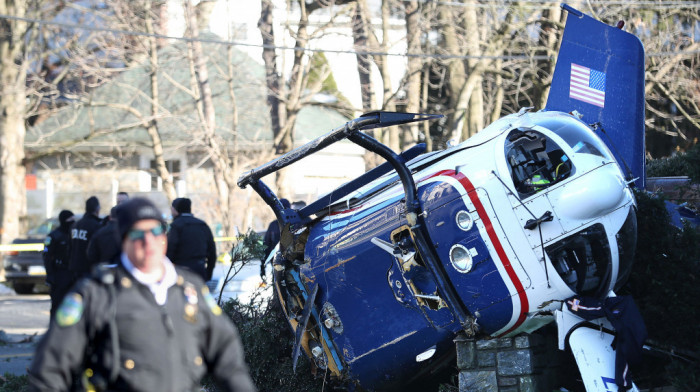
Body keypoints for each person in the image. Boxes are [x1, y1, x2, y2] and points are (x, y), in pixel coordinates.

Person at [28, 198, 256, 392]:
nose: (149, 241)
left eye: (156, 231)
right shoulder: (96, 293)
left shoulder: (190, 289)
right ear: (123, 239)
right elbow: (49, 369)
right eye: (137, 234)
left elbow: (227, 357)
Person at [166, 198, 217, 281]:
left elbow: (170, 249)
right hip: (200, 269)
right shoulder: (202, 225)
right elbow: (212, 251)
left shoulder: (176, 226)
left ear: (175, 209)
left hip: (181, 271)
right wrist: (208, 273)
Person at [43, 210, 75, 319]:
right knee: (57, 305)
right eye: (70, 220)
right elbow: (46, 257)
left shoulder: (73, 235)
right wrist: (50, 275)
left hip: (71, 274)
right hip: (59, 274)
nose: (72, 222)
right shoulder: (54, 236)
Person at [69, 196, 102, 280]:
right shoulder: (96, 225)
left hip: (74, 267)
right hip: (88, 268)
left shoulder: (76, 225)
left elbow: (69, 247)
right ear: (97, 209)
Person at [261, 198, 290, 280]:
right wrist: (262, 266)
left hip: (293, 266)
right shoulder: (273, 225)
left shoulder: (296, 223)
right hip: (276, 266)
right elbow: (266, 245)